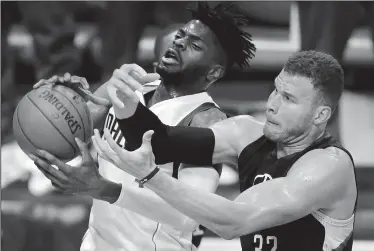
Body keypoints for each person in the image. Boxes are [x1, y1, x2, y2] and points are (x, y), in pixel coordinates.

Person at [28, 2, 256, 250]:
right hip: (96, 242)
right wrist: (57, 101)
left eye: (195, 45)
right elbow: (66, 139)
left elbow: (190, 217)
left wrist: (103, 189)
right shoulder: (128, 87)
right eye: (181, 36)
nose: (179, 43)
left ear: (213, 72)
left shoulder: (205, 120)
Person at [87, 50, 356, 251]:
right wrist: (124, 99)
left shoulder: (329, 167)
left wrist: (151, 176)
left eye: (288, 99)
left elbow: (233, 222)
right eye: (275, 90)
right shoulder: (246, 133)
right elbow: (161, 142)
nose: (272, 104)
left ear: (320, 115)